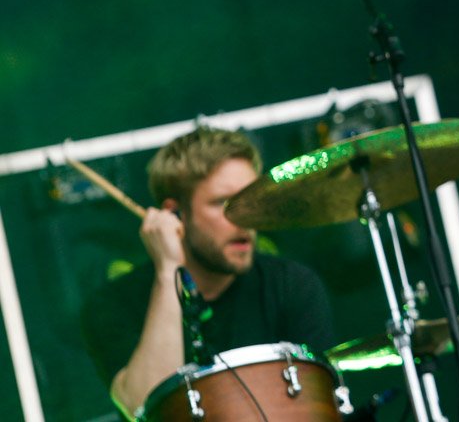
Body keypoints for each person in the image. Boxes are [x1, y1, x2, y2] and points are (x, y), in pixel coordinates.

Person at [80, 125, 337, 420]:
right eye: (223, 203)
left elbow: (321, 408)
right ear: (176, 214)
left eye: (249, 200)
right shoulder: (113, 304)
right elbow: (142, 406)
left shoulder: (292, 286)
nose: (242, 216)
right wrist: (168, 272)